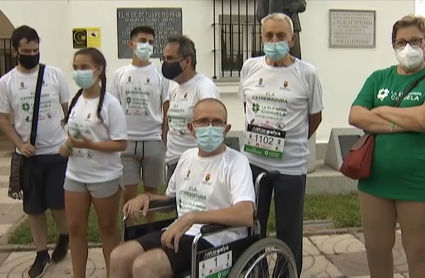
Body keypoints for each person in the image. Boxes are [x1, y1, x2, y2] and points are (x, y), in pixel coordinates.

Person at [109, 98, 255, 278]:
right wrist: (147, 197)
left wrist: (192, 218)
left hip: (215, 239)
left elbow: (246, 214)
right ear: (191, 129)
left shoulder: (236, 163)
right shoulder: (186, 157)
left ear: (226, 130)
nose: (210, 127)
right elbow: (171, 197)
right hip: (179, 231)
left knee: (145, 266)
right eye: (202, 121)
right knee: (119, 256)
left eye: (217, 122)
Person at [238, 13, 323, 276]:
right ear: (261, 38)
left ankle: (287, 274)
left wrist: (291, 141)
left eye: (280, 36)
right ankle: (257, 272)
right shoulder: (249, 68)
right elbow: (246, 107)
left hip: (291, 168)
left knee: (289, 232)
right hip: (253, 164)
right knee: (252, 227)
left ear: (292, 39)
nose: (274, 41)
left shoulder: (307, 73)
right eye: (269, 35)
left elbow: (316, 117)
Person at [348, 15, 425, 278]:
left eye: (415, 41)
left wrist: (380, 110)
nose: (408, 48)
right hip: (374, 183)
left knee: (419, 254)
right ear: (393, 45)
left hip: (418, 183)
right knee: (376, 251)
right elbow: (356, 115)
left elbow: (423, 119)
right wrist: (403, 122)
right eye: (401, 42)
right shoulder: (379, 77)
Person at [0, 25, 70, 277]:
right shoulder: (6, 82)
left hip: (57, 153)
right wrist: (20, 145)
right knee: (34, 208)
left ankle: (64, 237)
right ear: (16, 50)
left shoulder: (54, 75)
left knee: (59, 204)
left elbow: (68, 111)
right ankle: (41, 253)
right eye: (27, 50)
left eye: (36, 50)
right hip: (28, 157)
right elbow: (4, 120)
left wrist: (70, 141)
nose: (32, 54)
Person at [59, 47, 128, 278]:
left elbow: (120, 144)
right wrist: (67, 146)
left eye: (85, 67)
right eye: (76, 68)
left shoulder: (110, 104)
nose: (79, 72)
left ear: (99, 70)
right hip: (75, 176)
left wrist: (90, 146)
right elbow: (73, 135)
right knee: (75, 229)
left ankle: (114, 274)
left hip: (104, 177)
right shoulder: (76, 100)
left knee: (108, 230)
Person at [110, 26, 170, 223]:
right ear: (131, 44)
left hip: (153, 142)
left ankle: (148, 234)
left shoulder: (161, 75)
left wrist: (164, 138)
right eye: (142, 41)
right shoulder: (120, 74)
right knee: (128, 197)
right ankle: (129, 235)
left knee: (150, 198)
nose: (147, 46)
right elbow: (112, 108)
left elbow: (166, 109)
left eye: (151, 42)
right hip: (126, 143)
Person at [162, 35, 220, 181]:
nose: (166, 63)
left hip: (196, 163)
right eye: (164, 59)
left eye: (170, 59)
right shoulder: (173, 85)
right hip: (173, 160)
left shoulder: (204, 87)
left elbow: (213, 126)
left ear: (187, 61)